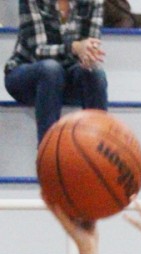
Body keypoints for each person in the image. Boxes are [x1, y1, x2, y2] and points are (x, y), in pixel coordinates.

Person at [4, 0, 108, 145]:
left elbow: (90, 48)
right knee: (51, 70)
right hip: (27, 72)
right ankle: (48, 155)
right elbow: (38, 50)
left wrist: (89, 55)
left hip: (66, 75)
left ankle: (101, 151)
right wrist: (74, 47)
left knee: (95, 74)